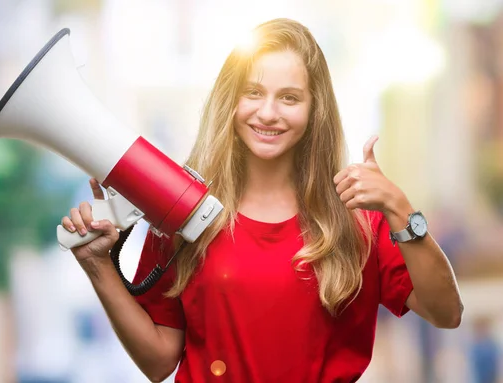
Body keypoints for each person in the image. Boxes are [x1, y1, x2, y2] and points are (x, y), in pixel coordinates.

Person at [60, 18, 463, 383]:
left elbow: (447, 313)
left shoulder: (357, 220)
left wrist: (400, 208)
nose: (267, 113)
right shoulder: (182, 207)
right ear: (230, 100)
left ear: (314, 109)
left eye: (289, 98)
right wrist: (98, 265)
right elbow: (159, 361)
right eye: (253, 92)